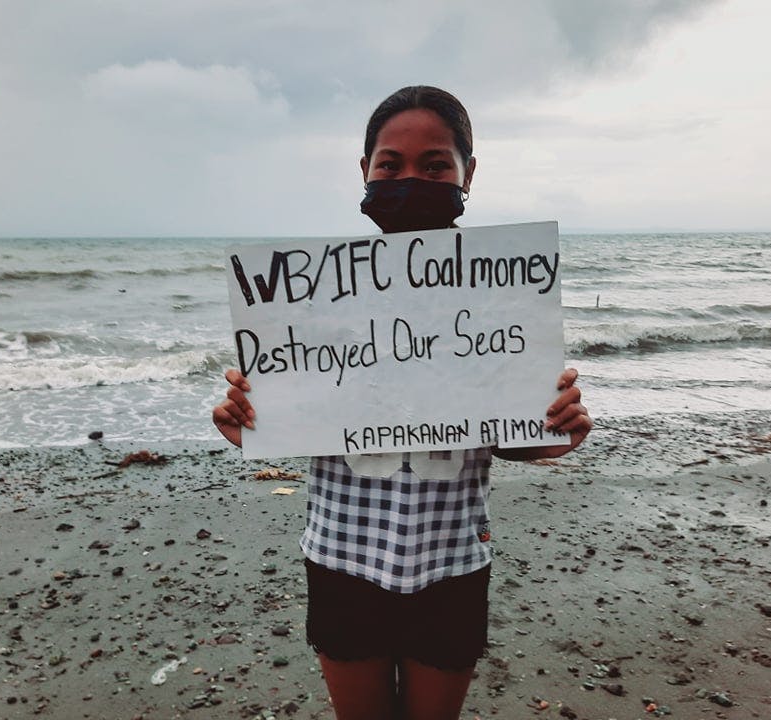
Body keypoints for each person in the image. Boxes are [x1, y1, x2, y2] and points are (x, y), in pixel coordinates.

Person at [213, 86, 592, 720]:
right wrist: (250, 420)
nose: (411, 179)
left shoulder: (501, 293)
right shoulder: (310, 299)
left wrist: (553, 431)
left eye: (436, 165)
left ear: (468, 174)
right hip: (341, 555)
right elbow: (296, 411)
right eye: (390, 164)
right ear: (363, 172)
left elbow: (505, 428)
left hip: (452, 560)